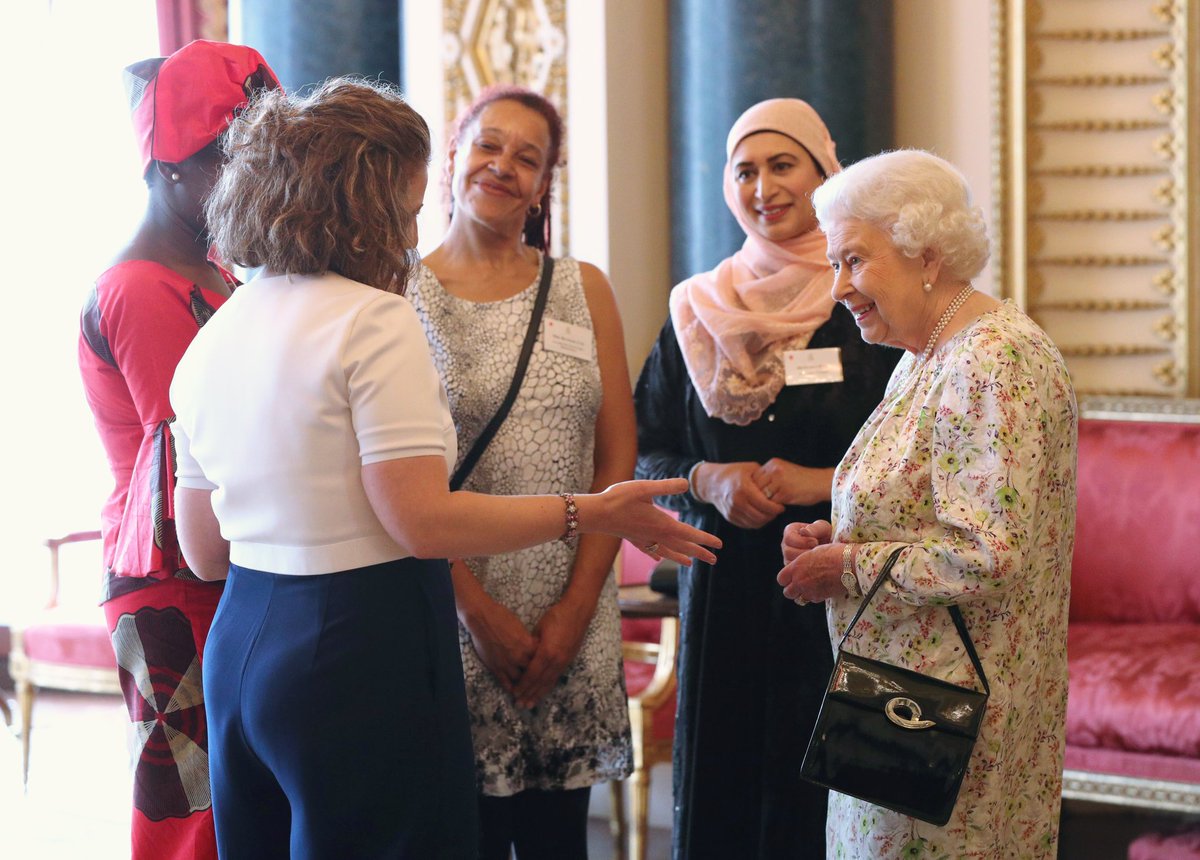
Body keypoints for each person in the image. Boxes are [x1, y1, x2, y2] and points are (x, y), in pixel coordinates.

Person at [167, 77, 719, 860]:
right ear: (366, 199)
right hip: (356, 643)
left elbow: (203, 550)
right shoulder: (374, 320)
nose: (411, 224)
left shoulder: (215, 335)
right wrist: (590, 511)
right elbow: (421, 520)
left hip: (240, 645)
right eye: (409, 202)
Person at [777, 149, 1076, 858]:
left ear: (926, 254)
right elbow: (919, 512)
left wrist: (846, 567)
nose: (838, 288)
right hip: (900, 702)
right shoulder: (926, 355)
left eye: (853, 261)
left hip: (952, 721)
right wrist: (837, 535)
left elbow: (987, 552)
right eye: (834, 265)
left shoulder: (991, 360)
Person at [633, 98, 898, 859]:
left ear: (824, 173)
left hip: (842, 595)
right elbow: (645, 453)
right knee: (725, 800)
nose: (763, 186)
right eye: (745, 170)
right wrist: (706, 478)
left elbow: (917, 448)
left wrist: (821, 481)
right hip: (726, 599)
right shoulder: (695, 311)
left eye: (783, 164)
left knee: (835, 806)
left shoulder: (866, 303)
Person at [408, 84, 634, 859]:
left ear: (545, 184)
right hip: (451, 607)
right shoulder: (397, 294)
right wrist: (472, 609)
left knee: (558, 844)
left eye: (527, 158)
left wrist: (576, 607)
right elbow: (391, 480)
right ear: (454, 158)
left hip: (570, 610)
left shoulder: (583, 288)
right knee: (462, 834)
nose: (502, 166)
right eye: (488, 145)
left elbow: (617, 461)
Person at [76, 39, 280, 860]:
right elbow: (202, 446)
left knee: (231, 804)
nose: (253, 184)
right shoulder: (139, 286)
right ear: (169, 170)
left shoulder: (213, 273)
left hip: (211, 559)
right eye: (230, 162)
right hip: (171, 571)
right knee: (188, 815)